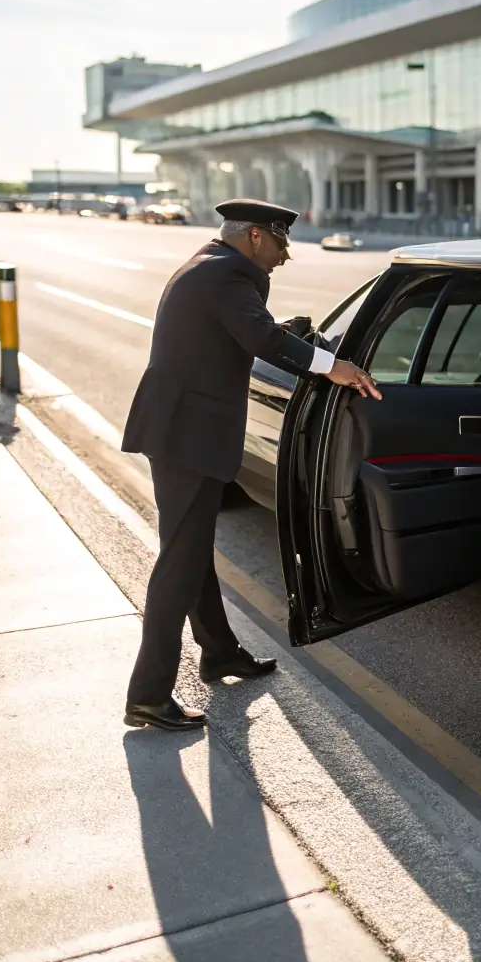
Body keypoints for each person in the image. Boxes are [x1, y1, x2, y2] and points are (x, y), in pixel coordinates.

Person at [122, 198, 380, 732]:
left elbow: (236, 331)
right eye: (283, 242)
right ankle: (148, 694)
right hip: (189, 436)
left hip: (176, 430)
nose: (286, 256)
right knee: (178, 563)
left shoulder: (207, 265)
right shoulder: (230, 274)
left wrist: (281, 329)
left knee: (189, 552)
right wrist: (333, 366)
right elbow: (261, 339)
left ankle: (219, 653)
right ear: (257, 236)